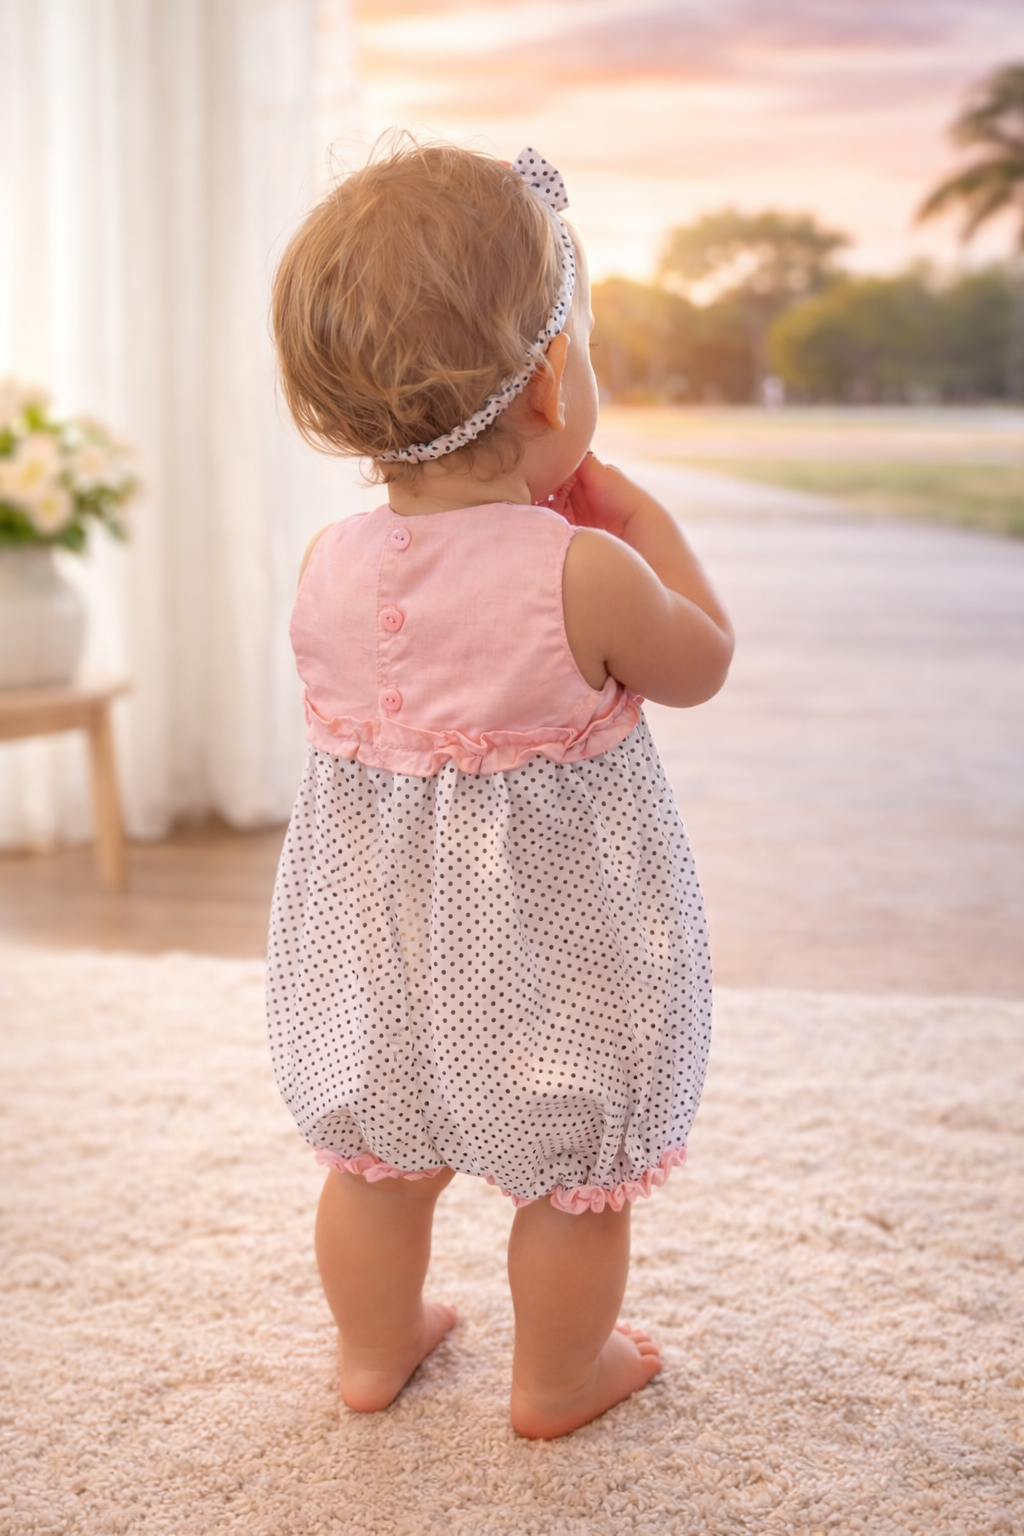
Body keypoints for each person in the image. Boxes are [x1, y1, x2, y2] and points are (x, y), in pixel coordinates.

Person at [267, 141, 734, 1440]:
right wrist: (637, 522)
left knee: (379, 1164)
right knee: (575, 1186)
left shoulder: (326, 561)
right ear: (547, 385)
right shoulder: (585, 571)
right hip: (555, 966)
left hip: (381, 957)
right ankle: (558, 1380)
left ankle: (372, 1351)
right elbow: (702, 662)